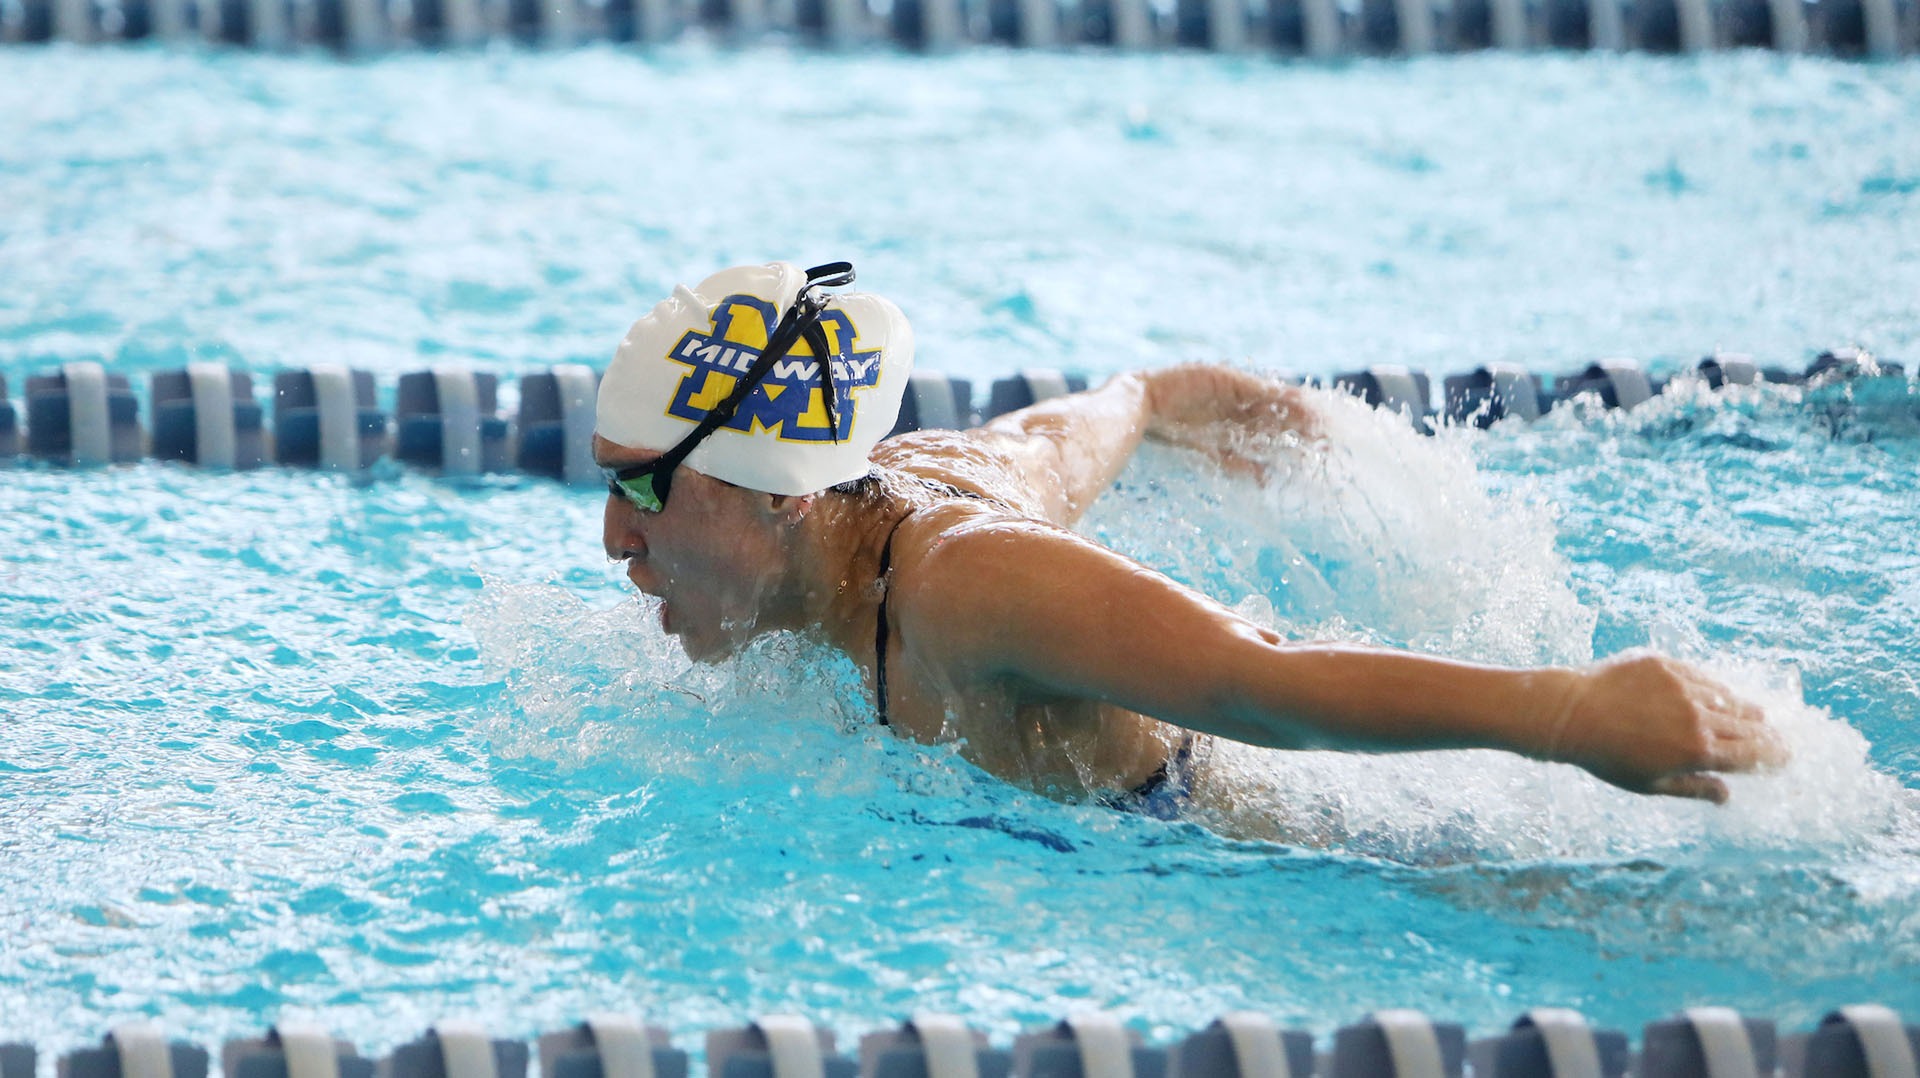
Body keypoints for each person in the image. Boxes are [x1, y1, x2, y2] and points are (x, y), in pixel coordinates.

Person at [594, 261, 1786, 831]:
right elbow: (1088, 424)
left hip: (1305, 829)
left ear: (780, 493)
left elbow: (1256, 680)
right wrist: (1167, 398)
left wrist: (1571, 717)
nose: (613, 538)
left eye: (643, 485)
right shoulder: (909, 488)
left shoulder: (965, 583)